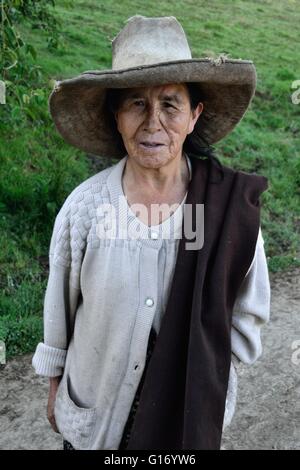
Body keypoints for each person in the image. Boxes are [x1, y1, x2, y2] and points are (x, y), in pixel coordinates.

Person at [32, 15, 270, 450]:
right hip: (97, 420)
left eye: (170, 103)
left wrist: (207, 367)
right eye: (136, 104)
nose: (153, 123)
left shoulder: (225, 210)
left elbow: (248, 311)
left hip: (186, 421)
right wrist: (54, 383)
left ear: (195, 115)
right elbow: (59, 309)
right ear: (116, 116)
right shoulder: (87, 210)